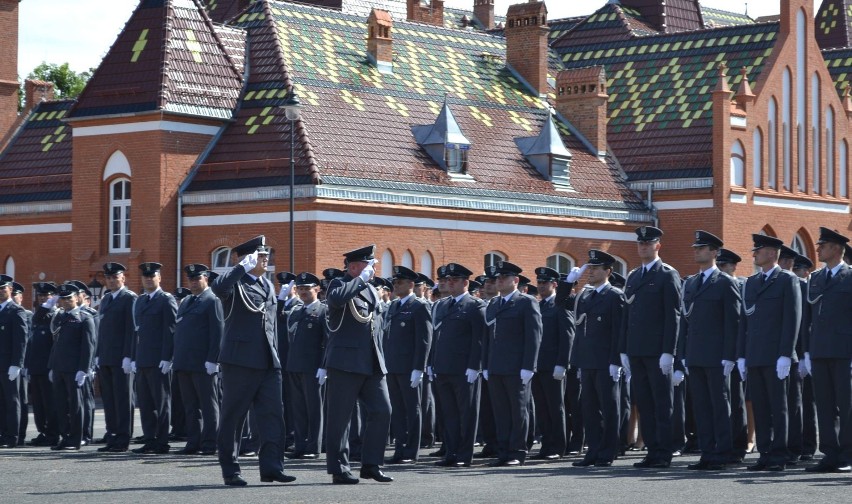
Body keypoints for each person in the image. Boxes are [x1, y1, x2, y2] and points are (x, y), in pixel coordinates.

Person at [212, 235, 295, 486]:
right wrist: (239, 268)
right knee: (233, 418)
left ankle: (271, 467)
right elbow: (218, 288)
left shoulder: (267, 285)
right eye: (260, 255)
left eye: (266, 254)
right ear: (247, 258)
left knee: (272, 416)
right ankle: (231, 470)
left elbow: (270, 325)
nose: (265, 258)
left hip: (268, 361)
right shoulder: (235, 283)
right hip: (240, 361)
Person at [323, 244, 393, 484]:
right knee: (340, 419)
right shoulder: (338, 285)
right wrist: (361, 280)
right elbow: (336, 300)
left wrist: (382, 358)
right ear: (354, 267)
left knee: (382, 410)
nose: (373, 268)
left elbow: (376, 327)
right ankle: (339, 469)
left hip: (372, 361)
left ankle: (371, 464)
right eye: (368, 264)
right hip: (345, 362)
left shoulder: (371, 289)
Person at [620, 226, 682, 469]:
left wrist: (669, 350)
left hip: (658, 351)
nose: (643, 246)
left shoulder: (667, 274)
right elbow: (628, 315)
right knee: (644, 402)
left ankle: (664, 451)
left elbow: (673, 315)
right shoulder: (634, 276)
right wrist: (624, 348)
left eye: (648, 243)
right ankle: (651, 450)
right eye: (640, 243)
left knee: (661, 403)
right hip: (637, 349)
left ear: (658, 246)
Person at [737, 234, 801, 471]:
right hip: (755, 355)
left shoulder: (787, 280)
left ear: (773, 253)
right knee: (761, 406)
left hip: (777, 357)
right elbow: (745, 320)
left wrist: (786, 353)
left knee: (779, 407)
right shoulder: (752, 282)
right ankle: (765, 453)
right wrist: (742, 355)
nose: (754, 254)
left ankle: (779, 454)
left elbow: (792, 318)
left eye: (759, 250)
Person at [678, 231, 740, 470]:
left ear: (715, 252)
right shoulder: (692, 282)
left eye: (702, 248)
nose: (696, 251)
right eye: (695, 248)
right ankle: (707, 452)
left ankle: (722, 452)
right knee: (701, 406)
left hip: (717, 355)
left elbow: (732, 322)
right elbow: (686, 320)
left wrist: (729, 356)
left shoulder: (726, 282)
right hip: (695, 353)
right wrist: (683, 352)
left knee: (719, 404)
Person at [801, 227, 852, 473]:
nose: (818, 249)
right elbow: (808, 318)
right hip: (820, 349)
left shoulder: (850, 276)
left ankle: (848, 454)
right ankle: (830, 453)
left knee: (847, 404)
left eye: (822, 245)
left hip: (844, 351)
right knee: (824, 404)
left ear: (835, 248)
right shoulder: (817, 278)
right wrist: (807, 352)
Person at [482, 261, 542, 466]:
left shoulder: (526, 302)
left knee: (518, 411)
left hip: (517, 367)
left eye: (503, 278)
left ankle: (517, 451)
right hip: (496, 366)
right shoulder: (494, 304)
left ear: (515, 280)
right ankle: (503, 451)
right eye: (497, 278)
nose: (499, 281)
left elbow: (534, 336)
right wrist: (486, 365)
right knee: (501, 411)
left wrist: (529, 366)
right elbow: (488, 337)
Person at [570, 250, 624, 467]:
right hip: (588, 360)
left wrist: (616, 361)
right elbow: (562, 305)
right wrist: (568, 282)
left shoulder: (614, 295)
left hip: (606, 361)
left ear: (608, 271)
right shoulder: (586, 295)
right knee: (589, 408)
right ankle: (593, 450)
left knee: (608, 408)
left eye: (595, 268)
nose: (590, 272)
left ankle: (608, 452)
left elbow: (618, 331)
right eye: (589, 268)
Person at [431, 262, 484, 468]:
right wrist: (433, 363)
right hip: (443, 367)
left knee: (466, 413)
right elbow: (438, 337)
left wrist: (475, 366)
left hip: (464, 369)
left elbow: (478, 339)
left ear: (466, 283)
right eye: (447, 280)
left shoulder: (474, 305)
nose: (450, 284)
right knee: (449, 413)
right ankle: (451, 452)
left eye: (454, 280)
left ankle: (464, 454)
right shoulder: (443, 305)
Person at [383, 265, 432, 464]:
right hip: (393, 365)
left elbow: (424, 340)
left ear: (411, 284)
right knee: (397, 409)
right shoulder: (393, 306)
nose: (396, 285)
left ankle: (411, 451)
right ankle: (400, 448)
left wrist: (419, 368)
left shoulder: (419, 306)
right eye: (394, 282)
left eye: (400, 282)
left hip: (409, 367)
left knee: (412, 409)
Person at [173, 264, 223, 456]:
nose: (194, 282)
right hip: (184, 362)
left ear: (206, 279)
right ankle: (193, 442)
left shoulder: (212, 300)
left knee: (208, 405)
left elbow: (218, 332)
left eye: (197, 278)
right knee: (190, 406)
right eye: (191, 279)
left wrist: (213, 359)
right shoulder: (186, 302)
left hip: (203, 363)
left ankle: (211, 443)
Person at [131, 262, 178, 455]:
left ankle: (162, 441)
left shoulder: (166, 300)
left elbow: (171, 330)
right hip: (143, 359)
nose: (149, 279)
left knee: (162, 403)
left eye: (152, 276)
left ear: (159, 278)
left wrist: (168, 357)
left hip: (159, 360)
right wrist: (134, 357)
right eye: (146, 277)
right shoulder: (140, 301)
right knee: (146, 403)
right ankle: (150, 439)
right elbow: (137, 332)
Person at [530, 266, 573, 460]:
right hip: (538, 365)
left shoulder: (560, 305)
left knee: (556, 407)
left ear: (555, 284)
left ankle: (558, 447)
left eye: (544, 283)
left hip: (553, 365)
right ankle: (546, 445)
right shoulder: (537, 306)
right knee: (542, 407)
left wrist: (562, 363)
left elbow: (567, 337)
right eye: (539, 282)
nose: (540, 286)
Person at [284, 272, 327, 460]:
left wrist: (324, 366)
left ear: (317, 289)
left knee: (314, 408)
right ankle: (300, 445)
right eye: (300, 288)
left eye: (307, 288)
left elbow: (328, 341)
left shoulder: (323, 310)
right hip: (295, 365)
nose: (303, 292)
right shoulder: (296, 311)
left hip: (313, 367)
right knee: (298, 408)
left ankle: (313, 446)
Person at [48, 283, 96, 450]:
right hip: (59, 367)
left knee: (76, 406)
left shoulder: (85, 318)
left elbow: (88, 346)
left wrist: (84, 369)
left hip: (75, 369)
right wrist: (52, 366)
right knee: (61, 405)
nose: (66, 301)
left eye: (69, 298)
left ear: (77, 298)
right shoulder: (59, 317)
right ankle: (65, 437)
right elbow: (55, 343)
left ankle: (76, 439)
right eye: (63, 298)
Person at [96, 263, 138, 452]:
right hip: (106, 357)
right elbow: (102, 331)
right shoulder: (106, 299)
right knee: (110, 400)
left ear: (123, 278)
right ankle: (112, 435)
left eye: (115, 277)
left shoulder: (129, 298)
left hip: (121, 358)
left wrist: (129, 355)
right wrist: (98, 354)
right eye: (109, 277)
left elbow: (131, 329)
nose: (111, 280)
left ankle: (123, 438)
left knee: (122, 399)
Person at [25, 282, 60, 447]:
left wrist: (48, 306)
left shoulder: (55, 315)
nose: (43, 298)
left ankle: (53, 433)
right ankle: (43, 431)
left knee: (50, 403)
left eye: (47, 295)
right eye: (40, 296)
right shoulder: (38, 315)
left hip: (48, 367)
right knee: (38, 404)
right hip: (36, 366)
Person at [0, 274, 28, 448]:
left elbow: (21, 340)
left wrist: (17, 364)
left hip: (9, 364)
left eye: (3, 288)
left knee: (12, 401)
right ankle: (3, 433)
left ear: (10, 290)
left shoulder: (16, 310)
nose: (1, 291)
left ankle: (13, 436)